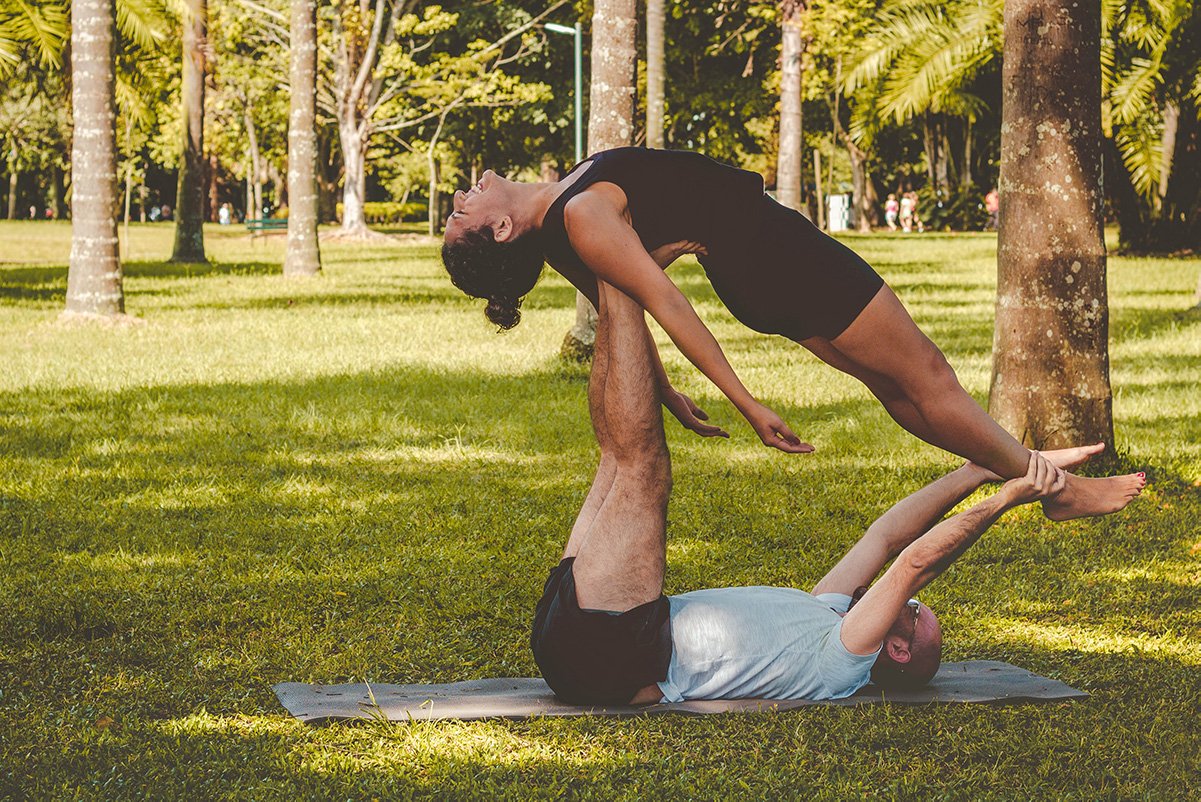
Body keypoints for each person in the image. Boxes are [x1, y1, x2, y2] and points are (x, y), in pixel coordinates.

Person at [441, 147, 1145, 521]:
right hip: (778, 258)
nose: (462, 195)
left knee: (895, 388)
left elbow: (623, 312)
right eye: (461, 211)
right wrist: (743, 401)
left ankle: (1022, 471)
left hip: (760, 275)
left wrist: (670, 395)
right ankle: (1052, 488)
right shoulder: (579, 217)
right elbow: (665, 306)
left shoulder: (569, 220)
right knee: (927, 377)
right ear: (500, 229)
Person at [531, 280, 1143, 705]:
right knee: (619, 457)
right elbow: (888, 536)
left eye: (908, 612)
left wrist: (1008, 501)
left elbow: (916, 561)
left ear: (896, 651)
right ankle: (611, 267)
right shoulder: (823, 615)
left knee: (642, 465)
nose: (895, 601)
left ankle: (618, 262)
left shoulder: (840, 662)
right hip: (596, 632)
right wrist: (988, 470)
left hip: (610, 650)